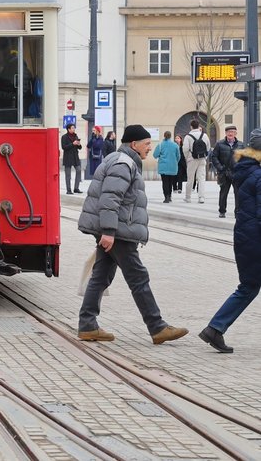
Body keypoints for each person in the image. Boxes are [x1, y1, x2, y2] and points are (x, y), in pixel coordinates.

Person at [76, 124, 188, 345]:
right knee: (138, 277)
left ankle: (87, 325)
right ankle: (157, 327)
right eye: (146, 144)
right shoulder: (123, 163)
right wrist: (108, 232)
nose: (149, 148)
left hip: (116, 229)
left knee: (100, 276)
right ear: (134, 145)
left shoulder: (121, 160)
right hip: (118, 231)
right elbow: (110, 199)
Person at [199, 128, 261, 353]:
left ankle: (215, 328)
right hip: (255, 239)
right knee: (248, 288)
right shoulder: (258, 175)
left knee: (249, 287)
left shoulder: (245, 170)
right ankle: (215, 328)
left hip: (245, 236)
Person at [209, 125, 245, 218]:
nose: (230, 133)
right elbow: (214, 157)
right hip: (224, 173)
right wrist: (220, 168)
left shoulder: (241, 145)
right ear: (225, 133)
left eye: (232, 132)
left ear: (235, 133)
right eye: (228, 132)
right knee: (223, 193)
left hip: (236, 173)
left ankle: (238, 212)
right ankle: (222, 211)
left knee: (238, 193)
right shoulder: (219, 144)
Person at [182, 119, 210, 204]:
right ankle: (201, 197)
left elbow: (185, 149)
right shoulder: (204, 135)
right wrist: (205, 156)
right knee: (201, 178)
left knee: (190, 178)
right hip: (202, 159)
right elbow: (208, 147)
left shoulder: (188, 136)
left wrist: (187, 158)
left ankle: (188, 197)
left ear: (191, 126)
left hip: (192, 159)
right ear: (199, 126)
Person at [152, 131, 180, 203]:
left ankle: (166, 197)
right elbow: (178, 156)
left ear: (164, 136)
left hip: (163, 166)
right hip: (172, 166)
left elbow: (155, 155)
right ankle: (169, 196)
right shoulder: (175, 145)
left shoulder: (160, 145)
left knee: (165, 182)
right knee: (170, 182)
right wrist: (175, 161)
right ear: (170, 136)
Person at [61, 123, 83, 194]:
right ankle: (68, 190)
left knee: (79, 170)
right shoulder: (64, 137)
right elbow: (64, 147)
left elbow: (79, 148)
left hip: (75, 156)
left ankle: (76, 188)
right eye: (72, 128)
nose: (74, 129)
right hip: (68, 157)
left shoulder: (75, 136)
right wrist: (72, 144)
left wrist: (79, 144)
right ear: (69, 129)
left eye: (74, 128)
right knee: (68, 175)